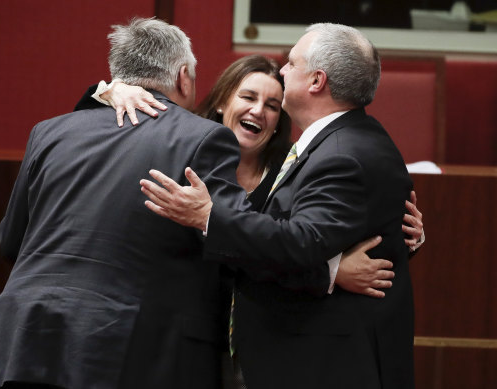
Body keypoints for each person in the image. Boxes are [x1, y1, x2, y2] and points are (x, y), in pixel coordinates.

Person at [140, 23, 418, 389]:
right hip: (194, 341)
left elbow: (301, 241)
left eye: (290, 63)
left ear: (316, 81)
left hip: (316, 361)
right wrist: (334, 270)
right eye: (248, 97)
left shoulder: (340, 154)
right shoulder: (349, 141)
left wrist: (209, 217)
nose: (283, 71)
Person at [0, 17, 251, 389]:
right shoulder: (205, 138)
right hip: (128, 346)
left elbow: (10, 240)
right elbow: (233, 239)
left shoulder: (48, 132)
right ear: (184, 77)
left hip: (28, 334)